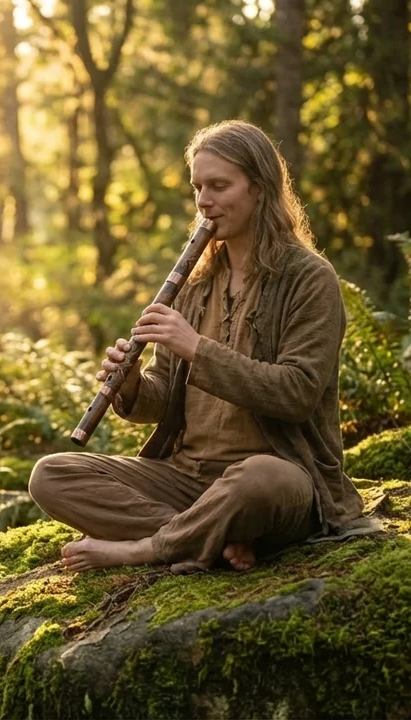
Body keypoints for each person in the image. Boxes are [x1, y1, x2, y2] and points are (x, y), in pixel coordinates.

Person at [28, 119, 364, 574]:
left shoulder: (309, 278)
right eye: (197, 187)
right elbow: (163, 395)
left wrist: (197, 348)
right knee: (52, 475)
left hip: (280, 474)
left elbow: (298, 392)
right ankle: (212, 536)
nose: (204, 200)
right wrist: (131, 385)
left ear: (260, 189)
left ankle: (145, 548)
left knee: (261, 480)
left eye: (219, 186)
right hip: (188, 479)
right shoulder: (196, 282)